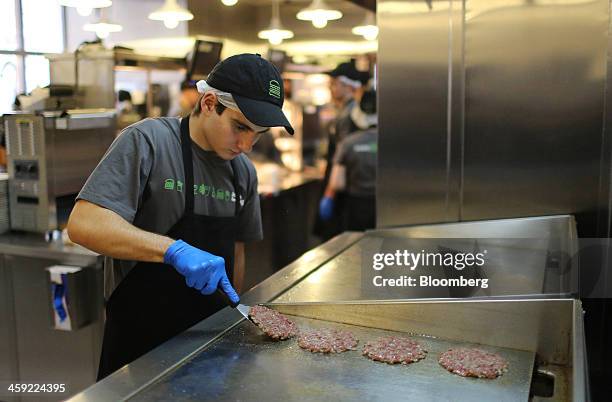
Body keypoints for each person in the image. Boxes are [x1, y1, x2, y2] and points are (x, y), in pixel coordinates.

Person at [66, 54, 294, 380]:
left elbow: (237, 253)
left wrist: (230, 329)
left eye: (258, 133)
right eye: (240, 127)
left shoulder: (242, 172)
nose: (246, 144)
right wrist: (172, 251)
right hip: (139, 348)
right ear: (209, 102)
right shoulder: (149, 142)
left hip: (209, 350)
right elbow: (83, 224)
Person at [314, 61, 369, 240]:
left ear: (347, 86)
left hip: (342, 192)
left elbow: (341, 158)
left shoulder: (349, 114)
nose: (330, 87)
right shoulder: (345, 111)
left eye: (334, 83)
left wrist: (330, 193)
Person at [319, 89, 377, 231]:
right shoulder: (392, 142)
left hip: (356, 205)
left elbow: (337, 183)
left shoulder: (348, 143)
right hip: (385, 205)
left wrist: (328, 198)